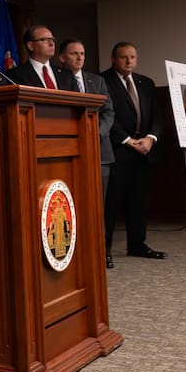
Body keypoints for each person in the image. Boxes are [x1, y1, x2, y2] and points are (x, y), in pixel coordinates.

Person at [102, 42, 167, 261]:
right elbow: (106, 116)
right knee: (111, 204)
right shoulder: (102, 81)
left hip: (144, 151)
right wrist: (127, 140)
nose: (129, 61)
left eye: (133, 57)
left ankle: (137, 244)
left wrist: (151, 138)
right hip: (118, 150)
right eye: (124, 57)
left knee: (139, 201)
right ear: (114, 59)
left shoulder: (146, 82)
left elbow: (158, 115)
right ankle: (104, 250)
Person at [57, 39, 116, 269]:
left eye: (82, 53)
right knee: (74, 205)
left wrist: (95, 133)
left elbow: (108, 112)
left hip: (100, 150)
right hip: (70, 150)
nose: (80, 57)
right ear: (62, 58)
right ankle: (77, 253)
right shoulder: (57, 80)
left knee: (99, 206)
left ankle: (102, 252)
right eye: (74, 53)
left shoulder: (96, 80)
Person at [6, 24, 72, 89]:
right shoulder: (16, 75)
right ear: (31, 46)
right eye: (45, 40)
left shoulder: (66, 75)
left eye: (52, 39)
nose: (51, 44)